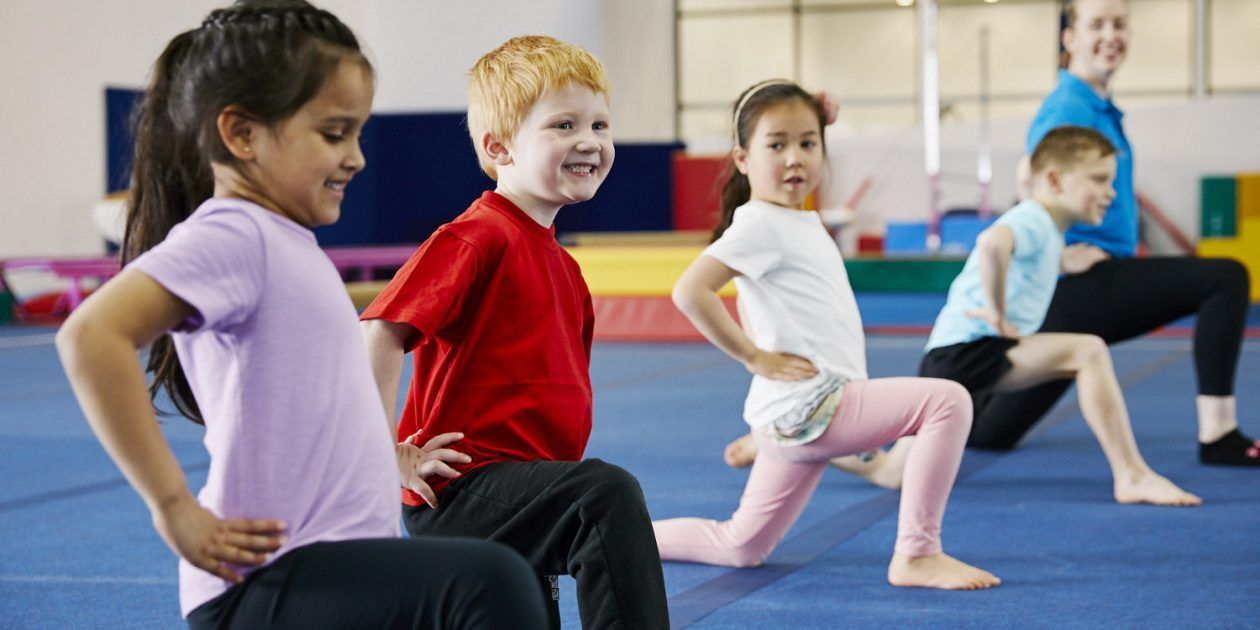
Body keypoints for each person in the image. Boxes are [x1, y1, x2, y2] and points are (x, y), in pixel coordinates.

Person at [54, 2, 546, 627]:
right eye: (334, 134)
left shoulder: (286, 243)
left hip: (334, 567)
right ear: (242, 136)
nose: (357, 157)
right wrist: (173, 504)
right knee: (489, 583)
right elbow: (91, 334)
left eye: (359, 133)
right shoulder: (237, 233)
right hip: (265, 579)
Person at [359, 35, 670, 628]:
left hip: (526, 493)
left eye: (601, 125)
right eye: (563, 125)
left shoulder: (565, 267)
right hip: (465, 488)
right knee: (604, 497)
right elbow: (380, 330)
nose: (590, 141)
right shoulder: (479, 236)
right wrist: (382, 454)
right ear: (499, 146)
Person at [651, 79, 1000, 590]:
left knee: (741, 546)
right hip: (815, 404)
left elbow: (779, 314)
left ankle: (628, 535)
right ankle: (918, 553)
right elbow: (690, 292)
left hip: (797, 413)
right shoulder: (759, 225)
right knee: (947, 402)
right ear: (742, 159)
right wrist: (754, 358)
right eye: (776, 145)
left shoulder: (796, 221)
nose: (795, 158)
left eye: (808, 143)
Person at [975, 0, 1256, 465]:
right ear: (1069, 38)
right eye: (1097, 25)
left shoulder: (1097, 106)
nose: (1111, 35)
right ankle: (1218, 434)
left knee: (993, 430)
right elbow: (1030, 177)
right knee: (1224, 279)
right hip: (1081, 280)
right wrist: (1057, 254)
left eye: (1119, 24)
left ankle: (955, 401)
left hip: (1101, 276)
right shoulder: (1069, 108)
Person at [920, 126, 1200, 507]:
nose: (1111, 192)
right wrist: (998, 313)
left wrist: (1063, 262)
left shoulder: (1046, 227)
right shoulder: (1034, 218)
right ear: (1053, 180)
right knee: (1088, 352)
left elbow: (1019, 249)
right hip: (969, 351)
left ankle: (822, 443)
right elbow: (991, 244)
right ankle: (1131, 475)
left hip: (952, 357)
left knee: (891, 472)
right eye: (1099, 179)